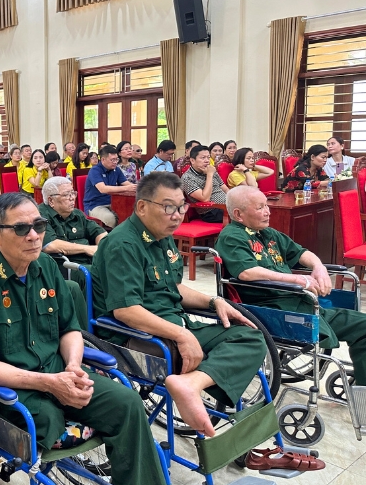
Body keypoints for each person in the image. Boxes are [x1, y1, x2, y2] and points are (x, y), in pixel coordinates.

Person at [0, 192, 175, 485]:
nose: (33, 235)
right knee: (46, 417)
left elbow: (69, 329)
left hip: (59, 372)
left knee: (127, 402)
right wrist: (50, 384)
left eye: (39, 225)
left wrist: (72, 366)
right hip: (6, 388)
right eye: (21, 229)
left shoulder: (45, 264)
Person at [91, 172, 267, 437]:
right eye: (168, 207)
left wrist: (214, 300)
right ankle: (192, 386)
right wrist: (182, 335)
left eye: (181, 207)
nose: (177, 215)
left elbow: (174, 288)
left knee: (252, 337)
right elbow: (126, 310)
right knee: (212, 351)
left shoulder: (162, 236)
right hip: (137, 336)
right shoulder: (123, 244)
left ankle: (191, 385)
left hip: (174, 325)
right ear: (142, 206)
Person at [218, 185, 366, 386]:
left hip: (300, 302)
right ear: (238, 214)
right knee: (324, 326)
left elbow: (300, 252)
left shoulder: (268, 233)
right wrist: (297, 279)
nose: (268, 211)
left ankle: (363, 388)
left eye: (266, 205)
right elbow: (246, 272)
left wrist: (318, 266)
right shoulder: (231, 237)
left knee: (363, 325)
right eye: (260, 207)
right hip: (271, 309)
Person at [40, 176, 106, 269]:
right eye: (66, 195)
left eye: (73, 193)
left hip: (88, 261)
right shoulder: (40, 215)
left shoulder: (76, 213)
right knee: (102, 272)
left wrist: (103, 247)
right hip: (66, 266)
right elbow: (50, 245)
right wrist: (86, 248)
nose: (72, 198)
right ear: (51, 200)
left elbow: (99, 232)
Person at [83, 145, 134, 228]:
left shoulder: (116, 169)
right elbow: (103, 189)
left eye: (116, 159)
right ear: (103, 159)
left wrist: (140, 187)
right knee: (110, 219)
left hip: (113, 202)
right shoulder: (95, 170)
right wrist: (126, 188)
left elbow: (126, 183)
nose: (115, 162)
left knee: (129, 213)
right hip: (95, 205)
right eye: (112, 160)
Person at [181, 145, 228, 223]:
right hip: (211, 212)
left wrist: (234, 201)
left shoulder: (211, 170)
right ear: (192, 160)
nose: (207, 161)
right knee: (248, 215)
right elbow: (205, 198)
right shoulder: (187, 177)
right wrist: (209, 175)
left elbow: (225, 189)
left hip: (227, 206)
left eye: (208, 157)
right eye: (203, 158)